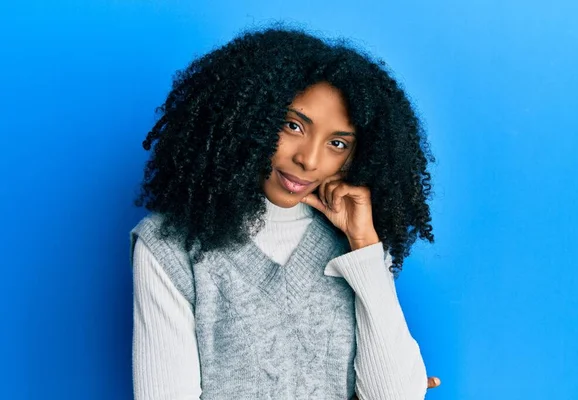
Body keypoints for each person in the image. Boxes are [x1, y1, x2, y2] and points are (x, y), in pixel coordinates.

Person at [130, 26, 440, 400]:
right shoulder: (170, 247)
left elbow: (395, 395)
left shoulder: (360, 246)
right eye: (293, 126)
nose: (308, 160)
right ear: (248, 118)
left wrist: (366, 246)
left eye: (337, 144)